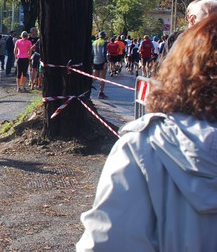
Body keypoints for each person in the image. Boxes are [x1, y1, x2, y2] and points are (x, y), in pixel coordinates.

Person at [77, 13, 217, 252]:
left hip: (112, 61)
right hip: (120, 58)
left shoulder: (144, 147)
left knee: (106, 70)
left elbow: (106, 244)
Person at [91, 31, 108, 99]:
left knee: (95, 76)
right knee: (102, 78)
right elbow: (104, 52)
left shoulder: (94, 42)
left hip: (95, 61)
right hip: (102, 61)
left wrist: (92, 62)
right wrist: (105, 62)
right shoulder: (104, 42)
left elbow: (92, 53)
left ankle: (87, 84)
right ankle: (101, 92)